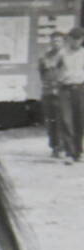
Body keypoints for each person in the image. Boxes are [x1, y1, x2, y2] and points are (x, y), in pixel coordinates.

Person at [58, 27, 84, 163]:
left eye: (79, 39)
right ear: (70, 39)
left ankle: (78, 152)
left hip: (80, 89)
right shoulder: (62, 54)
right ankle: (69, 153)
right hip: (65, 89)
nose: (76, 42)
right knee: (66, 120)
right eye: (74, 39)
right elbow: (54, 68)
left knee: (79, 120)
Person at [39, 31, 66, 158]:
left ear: (63, 42)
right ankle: (54, 146)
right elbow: (41, 73)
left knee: (62, 120)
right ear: (50, 41)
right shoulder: (45, 56)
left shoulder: (66, 55)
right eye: (54, 40)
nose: (56, 43)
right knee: (50, 121)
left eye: (59, 40)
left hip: (61, 92)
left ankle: (62, 147)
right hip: (47, 91)